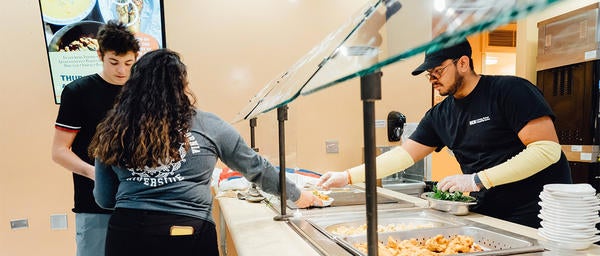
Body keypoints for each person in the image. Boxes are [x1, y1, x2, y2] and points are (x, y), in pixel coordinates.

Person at [317, 39, 572, 228]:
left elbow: (546, 151)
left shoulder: (510, 91)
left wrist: (476, 180)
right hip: (490, 212)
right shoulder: (439, 115)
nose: (432, 79)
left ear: (463, 63)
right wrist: (347, 176)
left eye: (438, 71)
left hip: (539, 214)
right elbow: (403, 157)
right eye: (429, 75)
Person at [89, 48, 320, 256]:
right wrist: (298, 195)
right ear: (181, 85)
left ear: (133, 86)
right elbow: (257, 168)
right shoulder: (208, 125)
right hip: (187, 234)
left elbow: (105, 198)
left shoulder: (113, 129)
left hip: (126, 235)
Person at [51, 20, 140, 256]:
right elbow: (59, 152)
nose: (121, 70)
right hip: (94, 206)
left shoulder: (140, 93)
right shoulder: (77, 92)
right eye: (114, 62)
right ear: (100, 54)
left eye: (128, 63)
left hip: (138, 202)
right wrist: (95, 174)